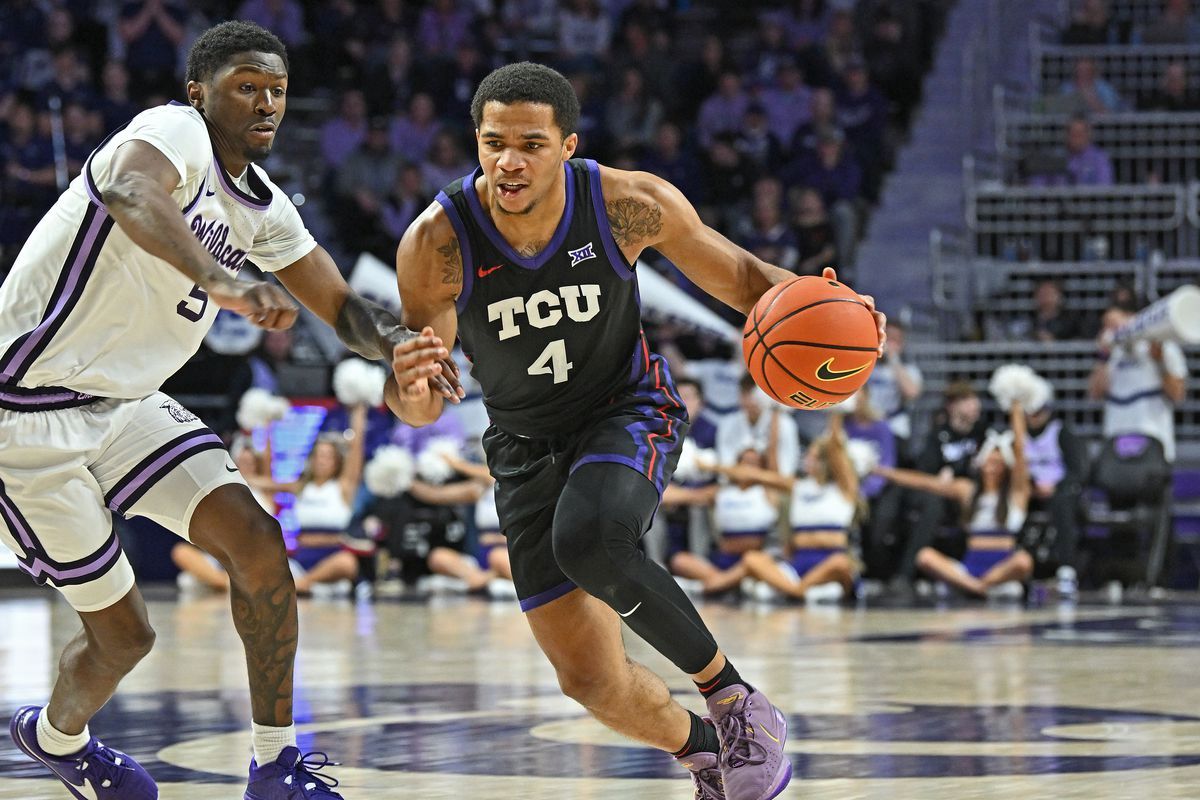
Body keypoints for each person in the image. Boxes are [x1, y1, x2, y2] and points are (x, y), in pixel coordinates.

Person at [390, 62, 885, 800]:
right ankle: (710, 754)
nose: (509, 160)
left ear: (568, 145)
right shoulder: (438, 243)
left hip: (625, 410)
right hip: (522, 448)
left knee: (590, 540)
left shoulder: (627, 203)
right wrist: (406, 386)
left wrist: (832, 307)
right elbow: (422, 406)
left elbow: (749, 281)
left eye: (530, 142)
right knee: (588, 679)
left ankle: (738, 700)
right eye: (494, 142)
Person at [0, 21, 462, 800]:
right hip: (26, 412)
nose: (266, 102)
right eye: (247, 86)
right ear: (199, 93)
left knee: (257, 544)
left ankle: (276, 766)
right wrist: (220, 280)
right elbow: (130, 191)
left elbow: (340, 302)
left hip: (126, 405)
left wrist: (400, 347)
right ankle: (56, 738)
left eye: (277, 90)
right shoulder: (169, 133)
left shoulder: (265, 207)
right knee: (126, 638)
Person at [875, 401, 1033, 599]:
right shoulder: (968, 491)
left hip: (1001, 573)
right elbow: (926, 482)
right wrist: (884, 472)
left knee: (1023, 561)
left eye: (998, 464)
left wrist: (1016, 408)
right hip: (969, 569)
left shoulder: (1015, 495)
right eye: (989, 463)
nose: (992, 468)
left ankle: (979, 586)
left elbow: (1020, 452)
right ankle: (976, 586)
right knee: (925, 556)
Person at [713, 413, 860, 602]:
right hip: (800, 560)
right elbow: (754, 474)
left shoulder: (843, 488)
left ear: (826, 462)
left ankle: (788, 590)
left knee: (841, 563)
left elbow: (836, 449)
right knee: (752, 559)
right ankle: (802, 592)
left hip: (829, 559)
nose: (808, 460)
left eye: (814, 457)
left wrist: (836, 413)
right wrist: (709, 467)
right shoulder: (798, 486)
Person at [245, 403, 367, 596]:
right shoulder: (300, 486)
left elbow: (356, 452)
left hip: (332, 554)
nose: (321, 461)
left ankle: (304, 583)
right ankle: (304, 582)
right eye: (318, 456)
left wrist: (359, 412)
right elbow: (268, 477)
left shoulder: (343, 487)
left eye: (327, 456)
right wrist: (268, 424)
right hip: (302, 555)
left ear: (336, 461)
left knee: (347, 563)